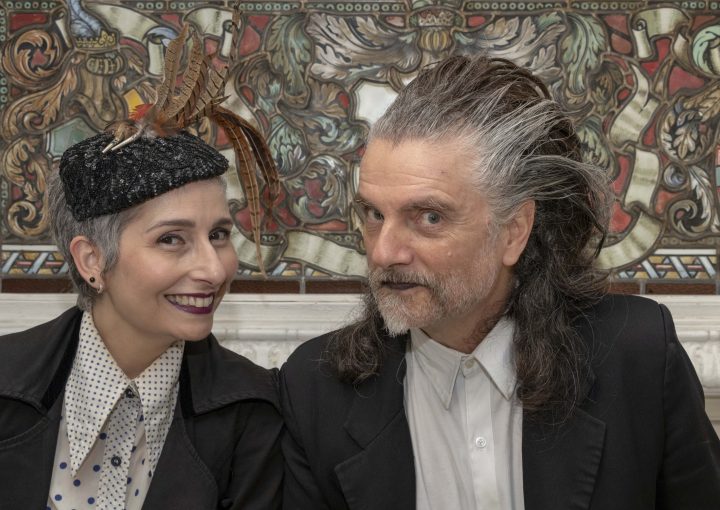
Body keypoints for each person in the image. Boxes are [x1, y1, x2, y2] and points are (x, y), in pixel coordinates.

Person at [280, 55, 720, 509]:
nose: (384, 252)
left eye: (429, 217)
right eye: (374, 214)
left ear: (513, 232)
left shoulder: (638, 358)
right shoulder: (315, 391)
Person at [0, 15, 281, 510]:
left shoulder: (255, 413)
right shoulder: (6, 384)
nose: (214, 270)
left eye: (218, 235)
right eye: (171, 239)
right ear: (91, 259)